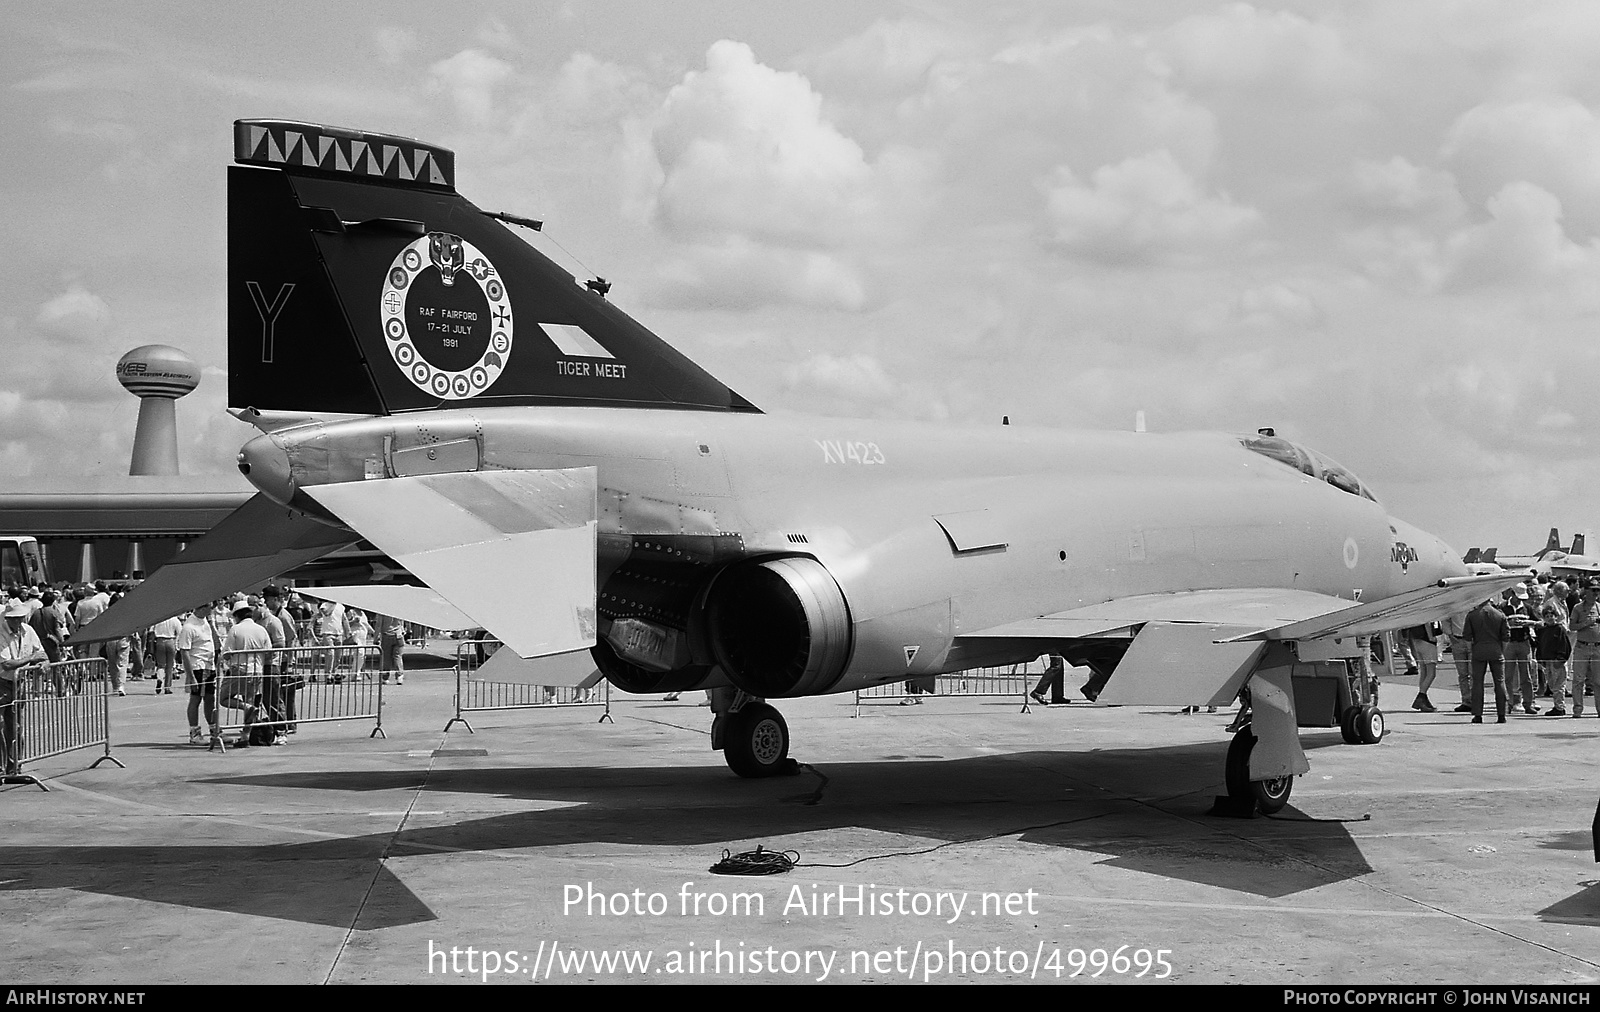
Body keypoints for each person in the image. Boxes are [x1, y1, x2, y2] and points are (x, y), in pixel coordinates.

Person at [0, 600, 47, 775]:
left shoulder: (29, 631)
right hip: (2, 682)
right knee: (1, 724)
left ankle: (15, 765)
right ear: (7, 618)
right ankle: (1, 766)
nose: (19, 621)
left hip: (19, 683)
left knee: (16, 726)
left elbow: (42, 654)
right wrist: (32, 658)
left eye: (21, 617)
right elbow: (7, 664)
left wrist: (44, 663)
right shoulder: (1, 633)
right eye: (15, 618)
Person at [222, 601, 274, 747]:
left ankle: (244, 707)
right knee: (251, 700)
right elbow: (269, 652)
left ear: (237, 616)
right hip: (257, 670)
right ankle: (246, 735)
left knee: (223, 698)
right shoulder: (261, 629)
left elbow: (227, 653)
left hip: (239, 668)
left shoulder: (235, 629)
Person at [1463, 596, 1510, 724]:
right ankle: (1502, 714)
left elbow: (1467, 637)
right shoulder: (1499, 614)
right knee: (1500, 682)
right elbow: (1506, 636)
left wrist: (1472, 650)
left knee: (1477, 683)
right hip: (1496, 649)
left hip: (1479, 649)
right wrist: (1501, 651)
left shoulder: (1472, 615)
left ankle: (1478, 714)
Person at [262, 586, 300, 734]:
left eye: (268, 600)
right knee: (281, 693)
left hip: (284, 659)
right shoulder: (275, 614)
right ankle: (287, 722)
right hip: (280, 658)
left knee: (285, 692)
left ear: (276, 599)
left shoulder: (283, 616)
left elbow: (292, 639)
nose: (266, 602)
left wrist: (290, 662)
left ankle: (289, 723)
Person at [1503, 584, 1540, 715]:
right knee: (1508, 675)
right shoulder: (1503, 608)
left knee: (1526, 675)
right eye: (1518, 597)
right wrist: (1508, 624)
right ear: (1512, 593)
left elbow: (1539, 622)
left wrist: (1529, 623)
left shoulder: (1527, 608)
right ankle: (1509, 702)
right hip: (1509, 644)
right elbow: (1498, 625)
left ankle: (1528, 703)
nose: (1520, 600)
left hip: (1524, 643)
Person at [1568, 579, 1600, 718]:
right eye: (1593, 590)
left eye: (1598, 590)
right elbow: (1572, 626)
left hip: (1598, 648)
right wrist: (1587, 622)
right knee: (1578, 679)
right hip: (1582, 647)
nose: (1596, 593)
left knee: (1598, 681)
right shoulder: (1578, 608)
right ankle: (1577, 709)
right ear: (1586, 591)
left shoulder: (1599, 607)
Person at [1535, 603, 1573, 717]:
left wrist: (1560, 659)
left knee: (1559, 686)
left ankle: (1560, 707)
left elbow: (1565, 646)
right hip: (1548, 661)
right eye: (1547, 616)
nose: (1550, 618)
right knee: (1551, 685)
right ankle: (1557, 705)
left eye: (1552, 616)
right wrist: (1540, 659)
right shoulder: (1544, 630)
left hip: (1557, 662)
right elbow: (1541, 645)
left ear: (1556, 617)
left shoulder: (1560, 629)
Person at [1402, 620, 1441, 712]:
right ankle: (1421, 695)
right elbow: (1427, 622)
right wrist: (1431, 637)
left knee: (1424, 672)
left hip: (1417, 640)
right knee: (1431, 673)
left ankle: (1424, 698)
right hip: (1426, 640)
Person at [1444, 609, 1474, 713]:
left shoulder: (1473, 604)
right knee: (1462, 674)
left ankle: (1475, 700)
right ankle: (1466, 701)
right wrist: (1450, 635)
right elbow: (1445, 619)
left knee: (1473, 672)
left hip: (1472, 639)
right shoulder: (1454, 605)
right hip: (1457, 639)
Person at [148, 613, 182, 695]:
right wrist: (177, 645)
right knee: (169, 666)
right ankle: (167, 687)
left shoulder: (159, 618)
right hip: (171, 641)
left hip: (160, 641)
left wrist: (151, 645)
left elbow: (151, 632)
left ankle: (160, 678)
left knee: (161, 665)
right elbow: (180, 632)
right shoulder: (175, 619)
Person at [377, 613, 405, 685]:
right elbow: (401, 622)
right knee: (398, 656)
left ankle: (385, 677)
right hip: (398, 635)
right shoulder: (397, 609)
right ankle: (399, 676)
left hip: (387, 634)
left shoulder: (381, 611)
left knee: (386, 657)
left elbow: (378, 625)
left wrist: (376, 637)